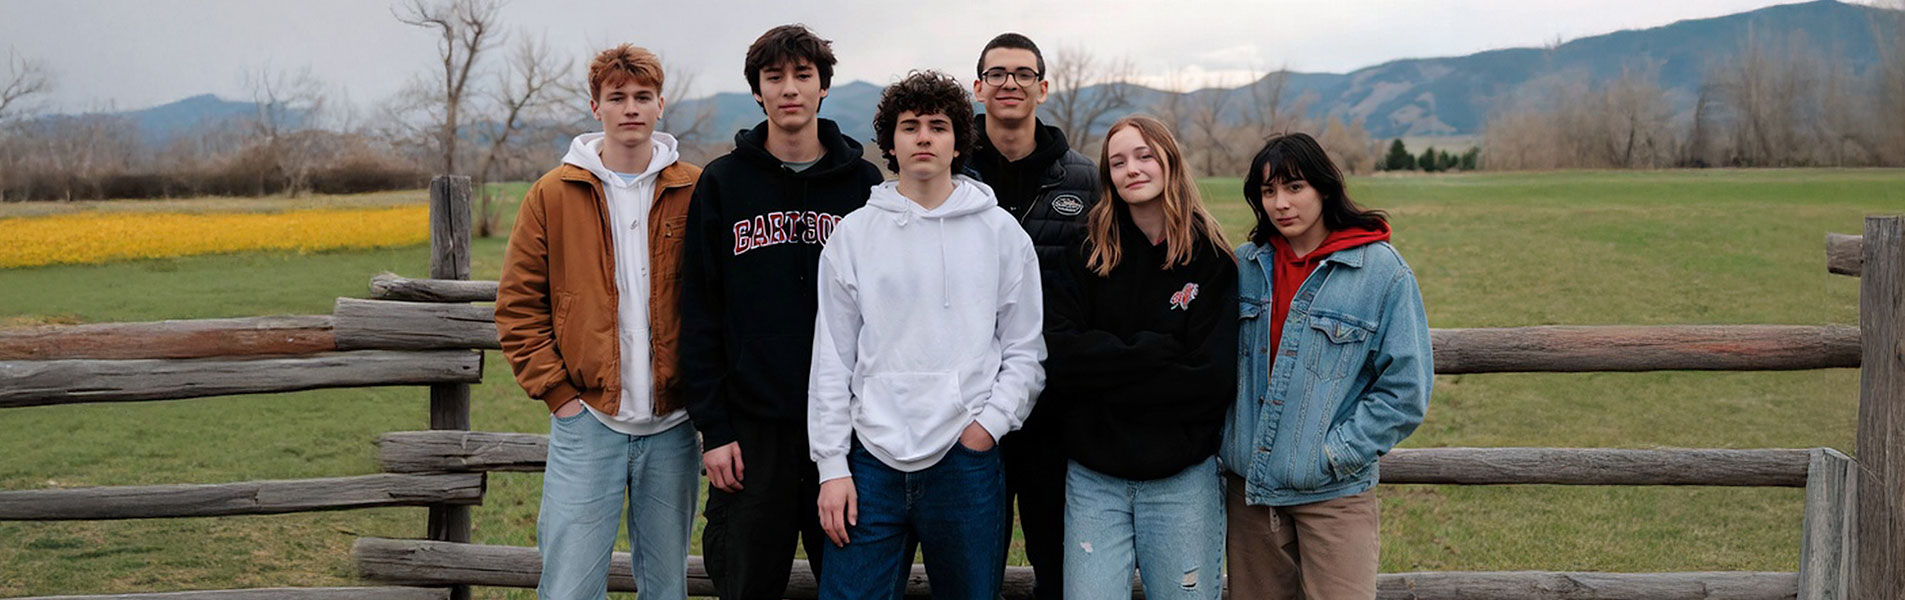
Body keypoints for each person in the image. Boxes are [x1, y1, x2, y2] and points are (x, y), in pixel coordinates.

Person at [808, 70, 1046, 600]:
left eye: (937, 126)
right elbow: (832, 358)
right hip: (870, 459)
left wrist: (987, 426)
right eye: (909, 126)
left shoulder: (1000, 232)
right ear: (890, 141)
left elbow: (1025, 348)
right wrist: (831, 466)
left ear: (958, 140)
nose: (922, 137)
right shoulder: (854, 235)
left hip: (965, 459)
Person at [680, 24, 885, 600]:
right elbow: (698, 311)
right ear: (757, 92)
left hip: (846, 431)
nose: (789, 89)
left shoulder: (864, 185)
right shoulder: (723, 183)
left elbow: (885, 312)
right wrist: (714, 429)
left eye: (803, 76)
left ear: (823, 88)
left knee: (852, 587)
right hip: (750, 435)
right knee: (745, 585)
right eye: (775, 78)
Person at [493, 44, 702, 600]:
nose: (630, 108)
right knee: (569, 587)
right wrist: (560, 396)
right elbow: (518, 306)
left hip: (674, 425)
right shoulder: (552, 194)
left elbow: (717, 302)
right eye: (617, 98)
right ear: (596, 107)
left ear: (661, 105)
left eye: (641, 97)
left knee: (667, 588)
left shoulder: (697, 190)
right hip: (588, 421)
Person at [1221, 132, 1433, 599]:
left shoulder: (1380, 272)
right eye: (1268, 191)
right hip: (1250, 496)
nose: (1281, 203)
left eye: (1294, 187)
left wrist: (1333, 454)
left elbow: (1405, 389)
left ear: (1324, 188)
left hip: (1333, 496)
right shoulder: (1244, 266)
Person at [1042, 115, 1236, 599]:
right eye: (1118, 161)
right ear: (1108, 176)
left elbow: (1210, 380)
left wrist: (1107, 377)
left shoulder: (1212, 261)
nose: (1133, 168)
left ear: (1169, 160)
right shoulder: (1085, 250)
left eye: (1145, 155)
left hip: (1182, 479)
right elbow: (1062, 356)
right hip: (1095, 478)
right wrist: (1155, 352)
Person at [967, 32, 1098, 599]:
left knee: (1059, 562)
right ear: (978, 88)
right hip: (968, 405)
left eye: (1023, 74)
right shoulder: (948, 174)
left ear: (1043, 88)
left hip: (1056, 409)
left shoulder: (1085, 181)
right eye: (997, 74)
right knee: (973, 565)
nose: (1009, 84)